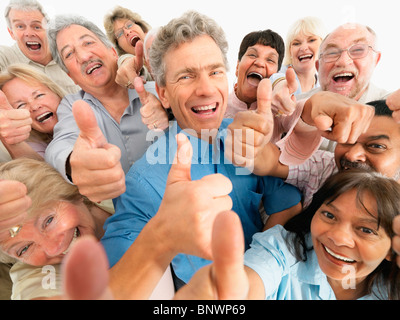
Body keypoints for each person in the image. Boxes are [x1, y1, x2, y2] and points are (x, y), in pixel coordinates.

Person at [101, 11, 302, 287]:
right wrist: (161, 236)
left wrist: (254, 272)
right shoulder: (142, 182)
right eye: (186, 76)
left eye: (215, 71)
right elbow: (111, 289)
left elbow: (289, 205)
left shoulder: (246, 136)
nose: (206, 89)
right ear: (163, 94)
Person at [181, 170, 400, 300]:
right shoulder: (281, 249)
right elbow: (245, 285)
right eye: (329, 215)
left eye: (366, 230)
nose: (338, 237)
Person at [44, 14, 169, 203]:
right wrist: (74, 164)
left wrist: (170, 112)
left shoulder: (158, 91)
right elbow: (59, 145)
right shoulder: (72, 106)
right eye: (69, 54)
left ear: (112, 52)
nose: (84, 56)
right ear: (71, 77)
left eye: (88, 43)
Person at [240, 99, 400, 213]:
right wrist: (248, 138)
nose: (352, 155)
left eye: (376, 146)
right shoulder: (324, 166)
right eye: (347, 140)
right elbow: (270, 161)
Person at [268, 23, 393, 165]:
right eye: (332, 53)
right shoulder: (291, 105)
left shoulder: (393, 110)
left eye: (358, 50)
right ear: (318, 66)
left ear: (375, 60)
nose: (342, 61)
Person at [1, 0, 79, 95]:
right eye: (20, 26)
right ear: (11, 33)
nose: (29, 33)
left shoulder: (70, 54)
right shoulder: (5, 56)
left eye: (36, 27)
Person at [0, 63, 66, 159]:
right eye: (21, 105)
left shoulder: (87, 107)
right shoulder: (32, 144)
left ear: (55, 91)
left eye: (39, 95)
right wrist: (12, 142)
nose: (34, 107)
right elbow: (42, 170)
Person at [224, 29, 284, 118]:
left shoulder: (280, 114)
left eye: (270, 60)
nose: (260, 63)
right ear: (237, 66)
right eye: (252, 55)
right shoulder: (217, 109)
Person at [270, 16, 326, 96]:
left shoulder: (323, 85)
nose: (303, 48)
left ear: (324, 45)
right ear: (290, 51)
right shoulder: (279, 74)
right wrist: (280, 87)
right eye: (296, 43)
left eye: (311, 40)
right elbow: (277, 82)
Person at [103, 5, 153, 84]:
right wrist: (131, 67)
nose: (127, 32)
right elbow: (125, 62)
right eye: (120, 34)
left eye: (129, 25)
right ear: (119, 46)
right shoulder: (126, 59)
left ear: (142, 29)